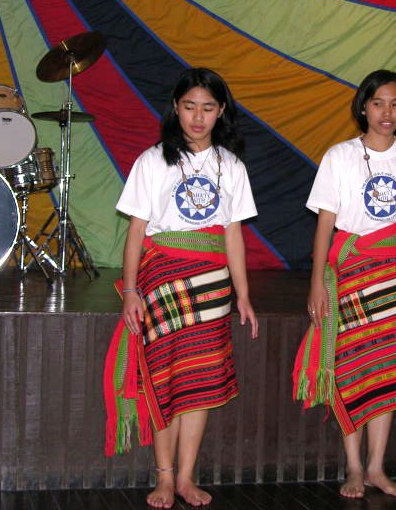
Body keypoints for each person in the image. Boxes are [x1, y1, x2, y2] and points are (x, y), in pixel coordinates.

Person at [103, 68, 258, 509]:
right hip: (161, 281)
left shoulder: (231, 165)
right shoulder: (154, 160)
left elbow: (233, 235)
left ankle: (188, 477)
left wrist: (242, 295)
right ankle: (164, 478)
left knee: (201, 380)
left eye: (208, 108)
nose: (197, 116)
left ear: (221, 112)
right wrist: (131, 291)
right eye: (189, 106)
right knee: (165, 379)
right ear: (176, 108)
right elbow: (136, 231)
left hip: (211, 286)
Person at [293, 70, 396, 498]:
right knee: (353, 368)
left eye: (395, 104)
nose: (386, 112)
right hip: (351, 276)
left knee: (389, 370)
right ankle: (354, 467)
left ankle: (377, 467)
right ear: (363, 107)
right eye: (378, 103)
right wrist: (318, 282)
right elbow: (324, 224)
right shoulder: (339, 156)